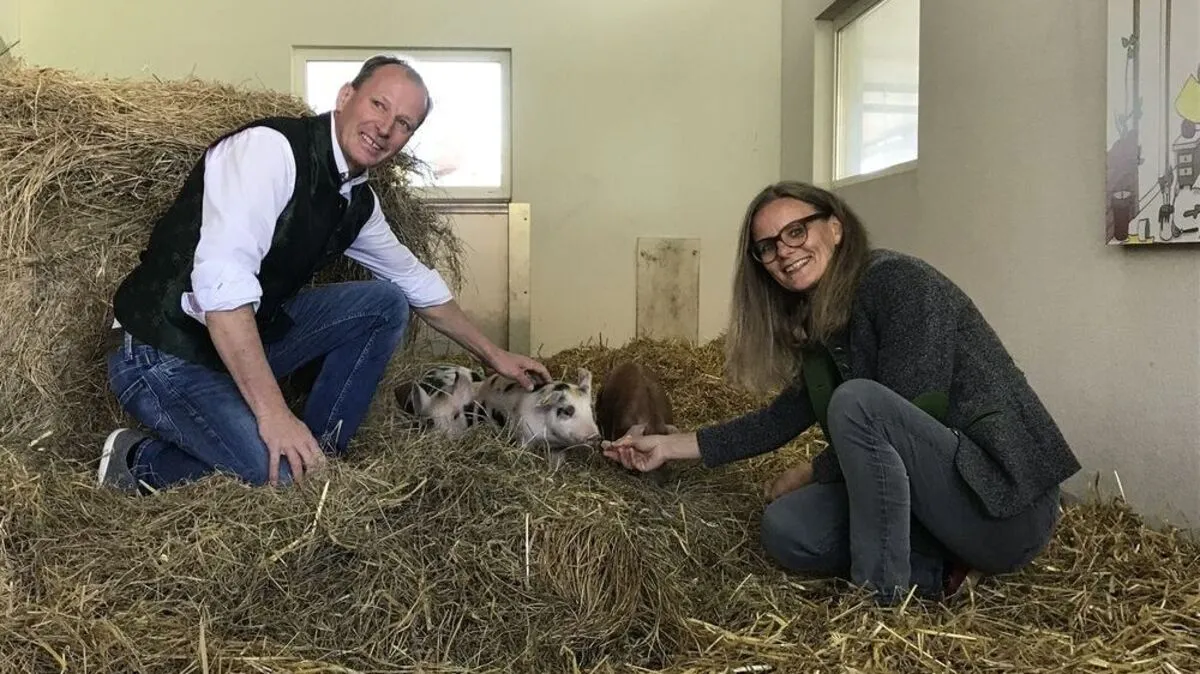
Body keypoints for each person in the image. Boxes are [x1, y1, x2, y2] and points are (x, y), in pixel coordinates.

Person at [603, 180, 1080, 604]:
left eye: (796, 231)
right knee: (788, 529)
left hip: (1001, 508)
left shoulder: (901, 283)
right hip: (936, 506)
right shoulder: (823, 322)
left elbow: (915, 408)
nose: (783, 251)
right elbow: (778, 419)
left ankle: (879, 600)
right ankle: (942, 574)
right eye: (766, 247)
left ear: (835, 227)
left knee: (856, 402)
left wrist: (812, 470)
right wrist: (666, 445)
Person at [99, 55, 549, 494]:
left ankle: (319, 456)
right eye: (379, 105)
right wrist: (274, 414)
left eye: (405, 124)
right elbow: (222, 293)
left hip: (236, 345)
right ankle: (138, 461)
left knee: (384, 304)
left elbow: (416, 283)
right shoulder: (269, 152)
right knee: (285, 481)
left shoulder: (355, 200)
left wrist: (494, 355)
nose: (386, 128)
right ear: (345, 96)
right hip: (163, 350)